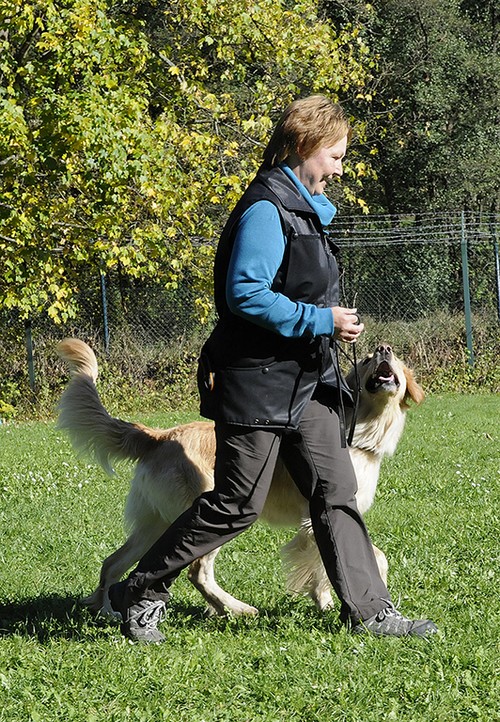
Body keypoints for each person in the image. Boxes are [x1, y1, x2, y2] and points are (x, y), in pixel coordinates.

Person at [109, 95, 438, 643]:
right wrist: (320, 318)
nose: (339, 167)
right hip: (256, 381)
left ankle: (372, 612)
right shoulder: (265, 209)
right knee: (238, 503)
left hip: (308, 384)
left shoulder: (302, 209)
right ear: (304, 147)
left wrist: (327, 320)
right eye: (333, 155)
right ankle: (140, 590)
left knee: (335, 493)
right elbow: (245, 294)